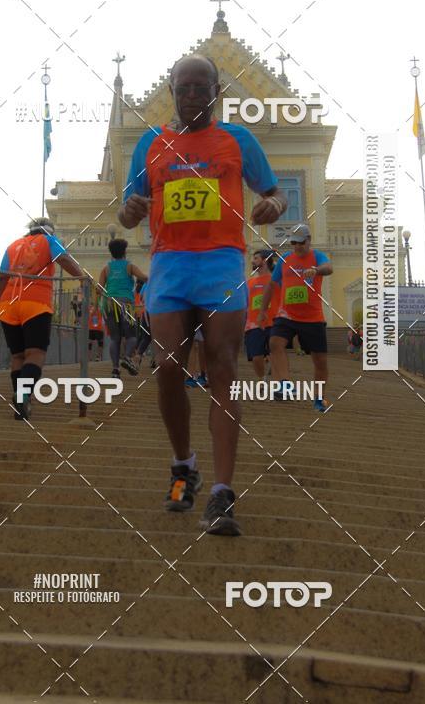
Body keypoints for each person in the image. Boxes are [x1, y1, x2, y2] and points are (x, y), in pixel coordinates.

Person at [118, 53, 287, 536]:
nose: (192, 94)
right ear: (172, 90)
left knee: (223, 367)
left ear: (218, 91)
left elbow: (275, 191)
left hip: (221, 263)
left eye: (202, 86)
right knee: (169, 366)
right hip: (169, 265)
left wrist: (272, 204)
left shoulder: (238, 139)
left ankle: (221, 493)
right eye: (184, 87)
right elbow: (129, 213)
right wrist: (130, 211)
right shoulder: (151, 144)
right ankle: (183, 465)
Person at [0, 217, 87, 421]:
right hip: (35, 304)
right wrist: (81, 278)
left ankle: (22, 402)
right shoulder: (49, 240)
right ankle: (23, 396)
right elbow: (63, 259)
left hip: (8, 304)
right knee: (35, 353)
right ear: (49, 231)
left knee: (18, 356)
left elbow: (2, 276)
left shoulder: (13, 245)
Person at [259, 225, 333, 413]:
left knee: (320, 361)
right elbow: (271, 285)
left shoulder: (317, 256)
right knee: (275, 342)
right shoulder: (285, 259)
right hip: (287, 315)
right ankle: (285, 384)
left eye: (301, 242)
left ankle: (319, 398)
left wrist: (316, 270)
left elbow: (329, 268)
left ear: (309, 240)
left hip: (313, 318)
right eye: (294, 242)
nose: (297, 246)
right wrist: (262, 310)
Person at [97, 239, 148, 379]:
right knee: (131, 336)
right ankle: (126, 357)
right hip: (126, 304)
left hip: (109, 303)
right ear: (125, 251)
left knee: (115, 338)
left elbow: (99, 288)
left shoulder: (106, 268)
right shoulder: (129, 266)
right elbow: (143, 277)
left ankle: (115, 370)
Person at [244, 249, 278, 379]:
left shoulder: (276, 280)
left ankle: (277, 383)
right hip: (253, 325)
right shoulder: (249, 282)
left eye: (256, 258)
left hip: (273, 323)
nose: (252, 261)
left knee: (275, 354)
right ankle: (261, 379)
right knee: (256, 357)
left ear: (265, 260)